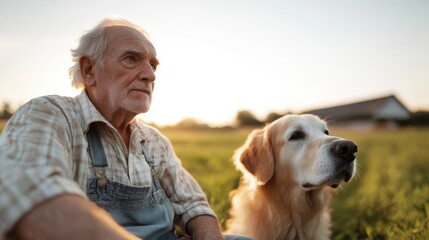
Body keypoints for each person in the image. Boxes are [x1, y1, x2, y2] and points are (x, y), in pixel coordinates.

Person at [0, 17, 251, 240]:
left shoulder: (154, 140)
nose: (150, 75)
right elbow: (31, 197)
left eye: (153, 65)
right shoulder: (50, 114)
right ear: (89, 70)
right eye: (132, 58)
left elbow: (194, 205)